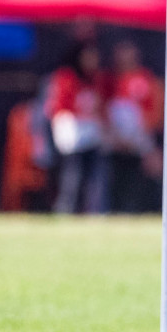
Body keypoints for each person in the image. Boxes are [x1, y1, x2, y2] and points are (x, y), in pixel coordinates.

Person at [47, 41, 110, 215]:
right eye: (88, 57)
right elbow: (58, 107)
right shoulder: (66, 77)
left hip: (92, 135)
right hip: (72, 134)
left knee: (95, 174)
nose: (92, 61)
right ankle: (66, 209)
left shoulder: (97, 79)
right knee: (72, 174)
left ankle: (95, 210)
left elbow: (102, 107)